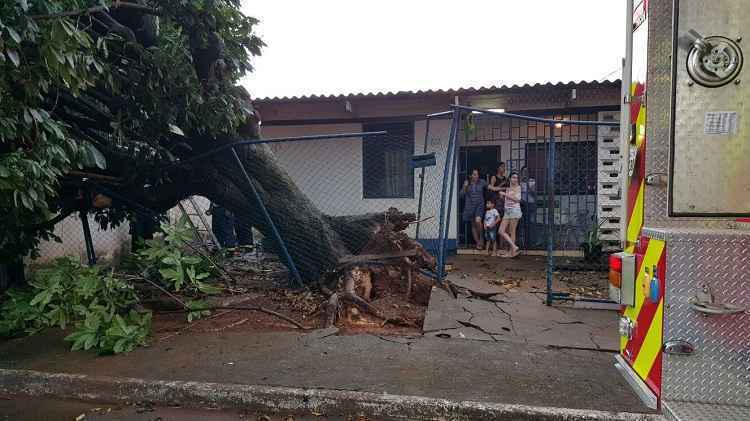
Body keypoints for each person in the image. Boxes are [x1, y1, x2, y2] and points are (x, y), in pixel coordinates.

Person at [497, 172, 522, 257]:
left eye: (516, 178)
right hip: (507, 211)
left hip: (515, 211)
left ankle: (512, 252)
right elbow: (507, 200)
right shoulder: (508, 188)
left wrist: (505, 194)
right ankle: (514, 247)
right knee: (501, 231)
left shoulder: (518, 188)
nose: (515, 179)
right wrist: (503, 197)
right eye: (513, 177)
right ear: (510, 178)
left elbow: (517, 199)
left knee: (512, 232)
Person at [461, 169, 487, 249]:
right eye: (474, 174)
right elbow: (461, 195)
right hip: (470, 207)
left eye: (477, 174)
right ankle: (478, 243)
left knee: (478, 221)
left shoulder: (482, 182)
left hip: (480, 205)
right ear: (471, 175)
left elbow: (489, 187)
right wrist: (465, 186)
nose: (476, 176)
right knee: (473, 225)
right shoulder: (467, 183)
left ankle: (482, 238)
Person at [520, 166, 538, 248]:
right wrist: (521, 181)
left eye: (526, 171)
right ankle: (522, 242)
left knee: (530, 223)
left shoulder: (532, 181)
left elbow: (534, 193)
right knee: (521, 223)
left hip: (530, 204)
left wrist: (527, 183)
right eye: (524, 171)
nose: (525, 173)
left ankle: (530, 243)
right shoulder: (519, 181)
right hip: (521, 204)